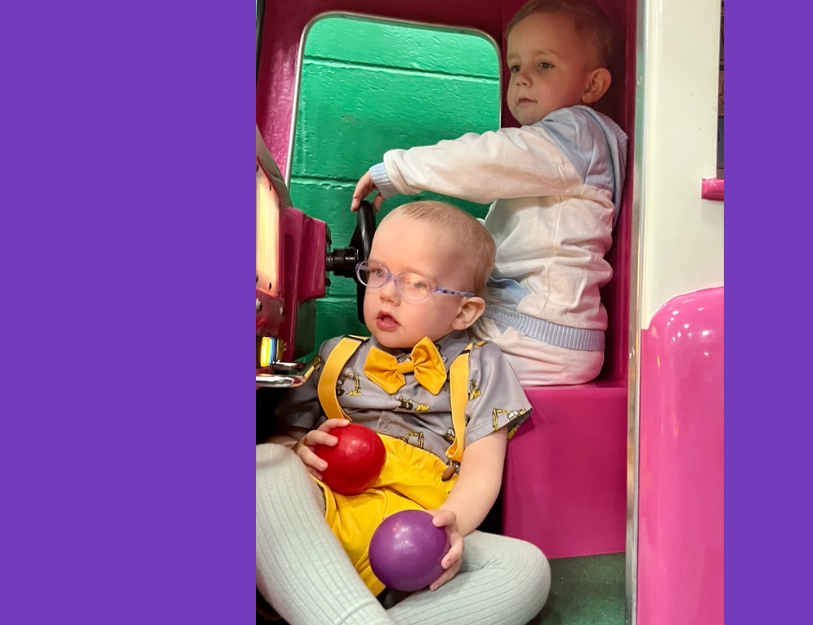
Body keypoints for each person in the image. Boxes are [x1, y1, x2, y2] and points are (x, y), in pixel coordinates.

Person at [257, 201, 551, 625]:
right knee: (263, 464)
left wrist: (451, 526)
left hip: (418, 531)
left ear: (464, 311)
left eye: (416, 283)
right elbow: (284, 435)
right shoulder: (336, 354)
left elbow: (483, 470)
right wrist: (299, 447)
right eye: (377, 273)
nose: (387, 293)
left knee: (525, 568)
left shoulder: (481, 365)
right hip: (325, 515)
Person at [351, 0, 627, 386]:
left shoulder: (575, 135)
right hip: (538, 329)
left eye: (543, 65)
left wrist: (400, 170)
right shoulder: (558, 153)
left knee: (408, 371)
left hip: (539, 335)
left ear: (592, 85)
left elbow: (487, 159)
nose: (523, 79)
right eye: (516, 67)